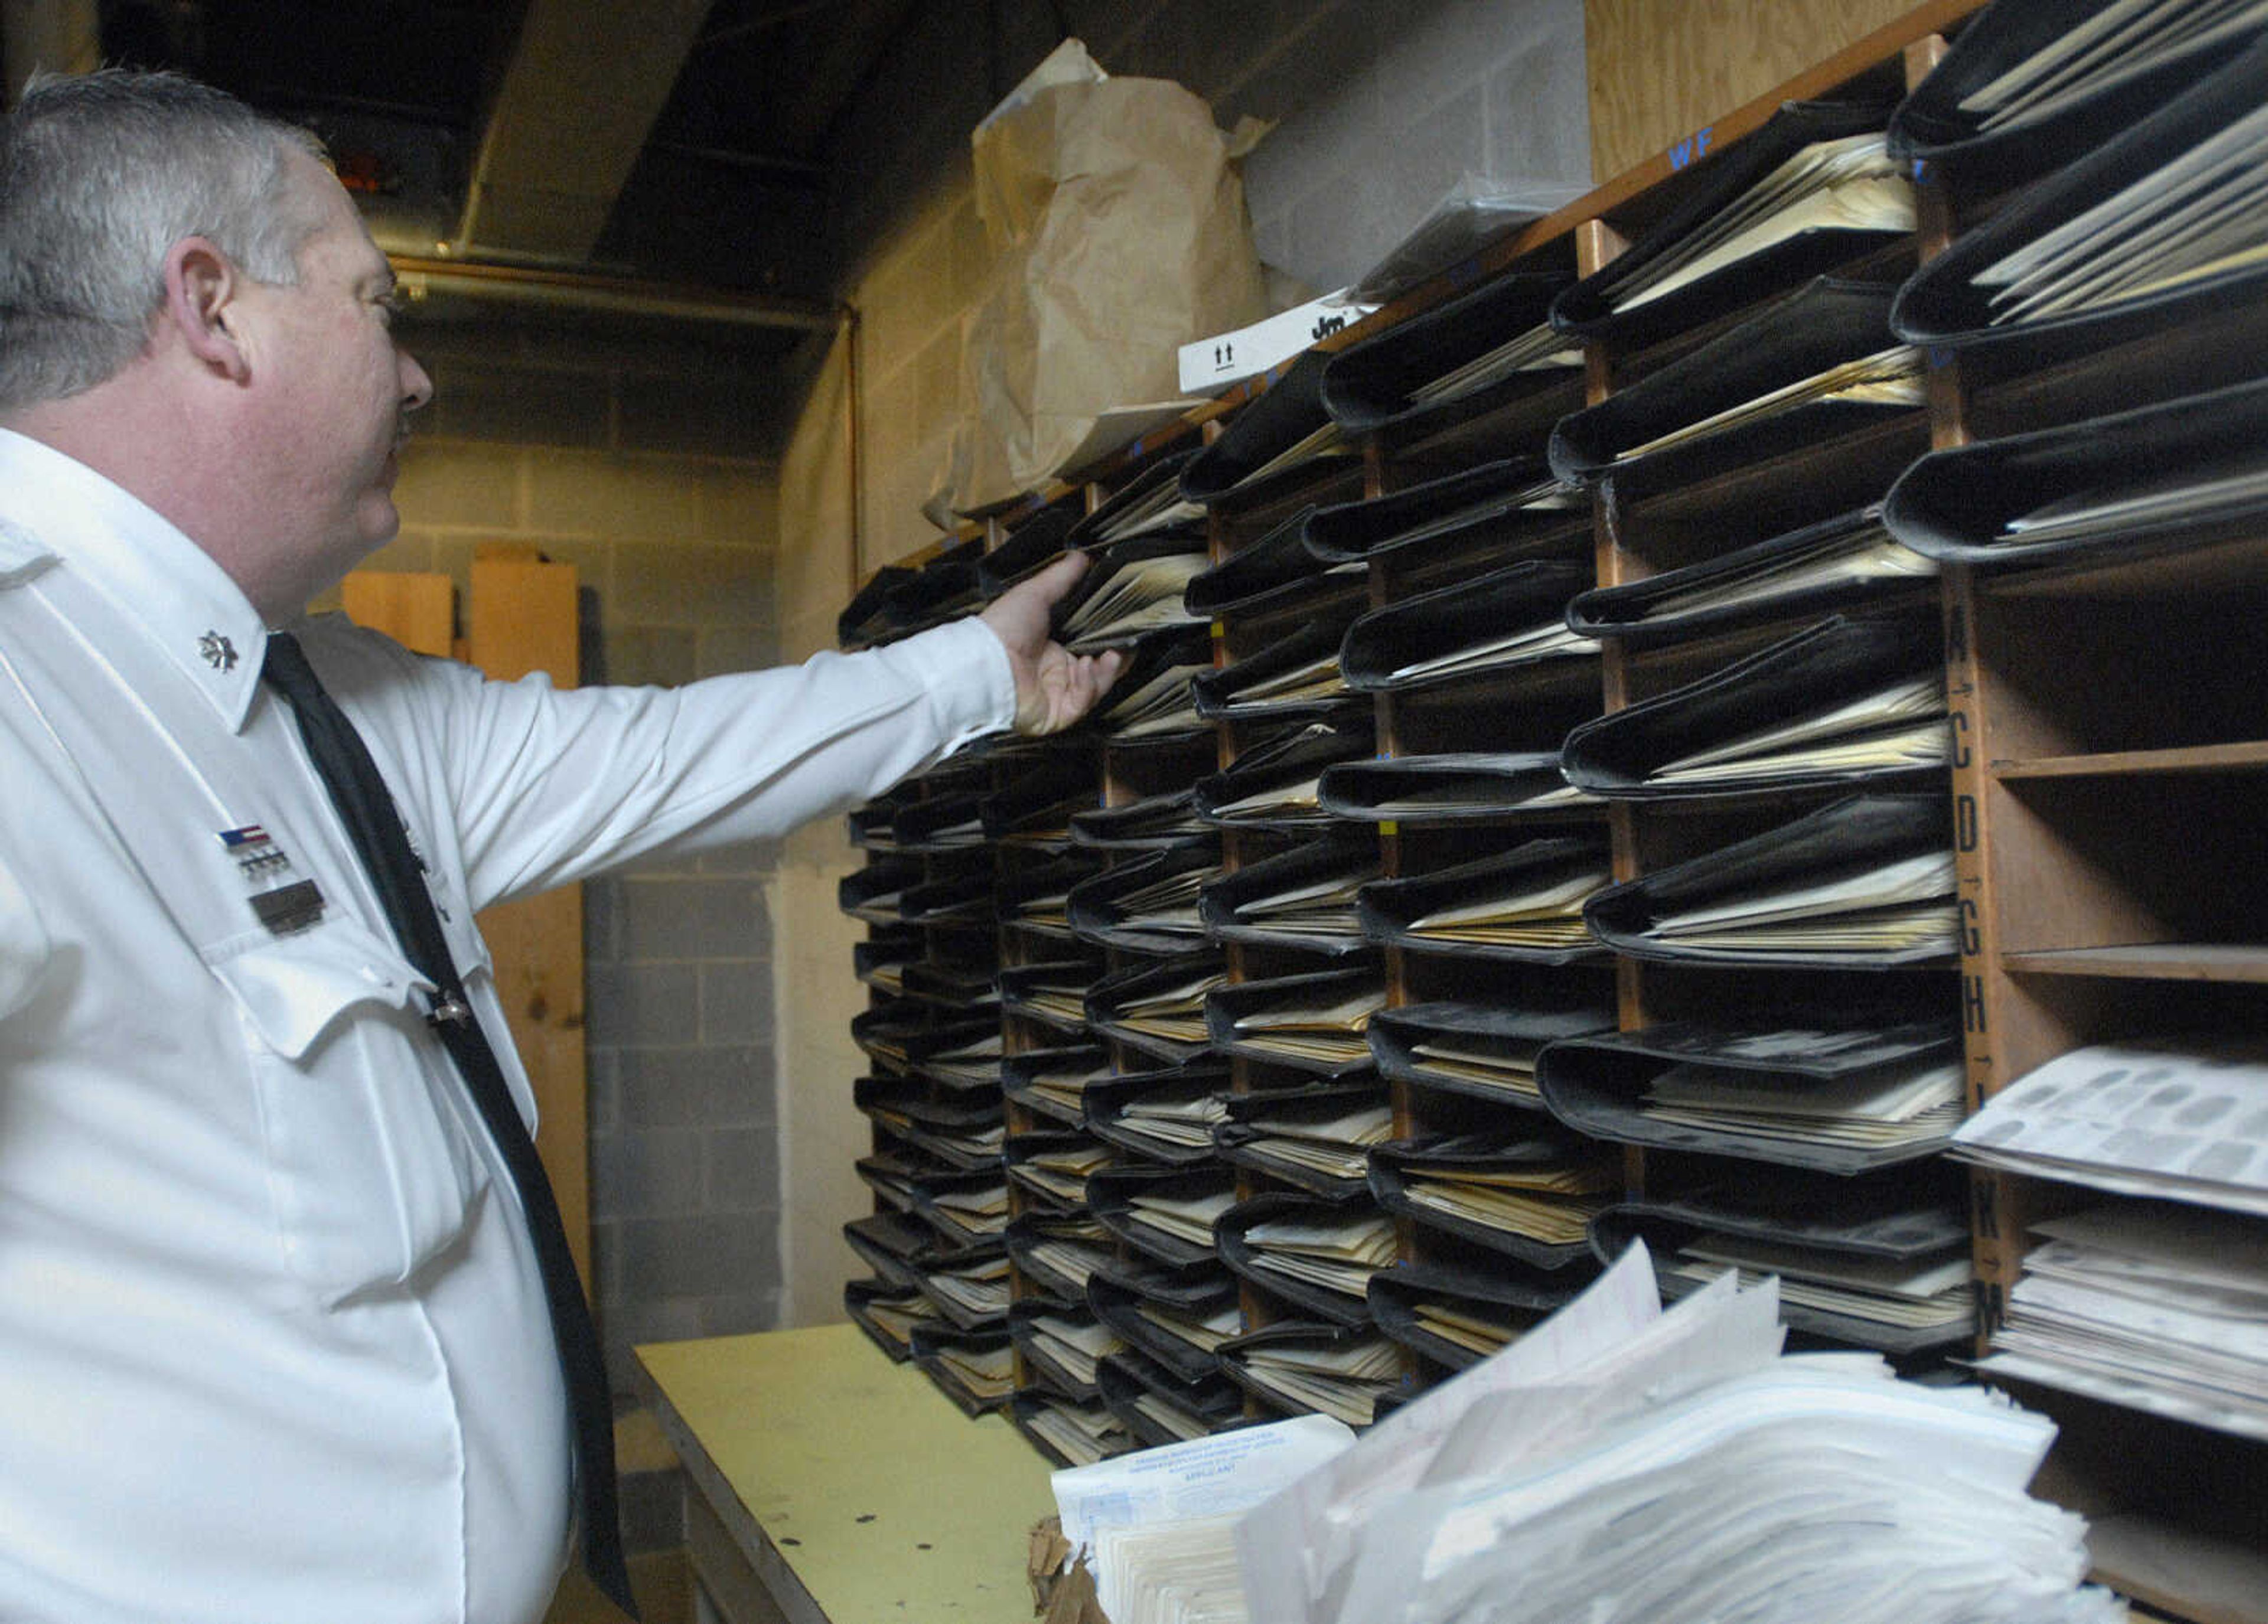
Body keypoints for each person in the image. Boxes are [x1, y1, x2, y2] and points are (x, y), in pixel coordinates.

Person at [0, 68, 1122, 1624]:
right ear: (212, 309)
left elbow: (672, 758)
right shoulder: (21, 693)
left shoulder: (326, 697)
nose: (413, 378)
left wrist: (973, 675)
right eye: (372, 305)